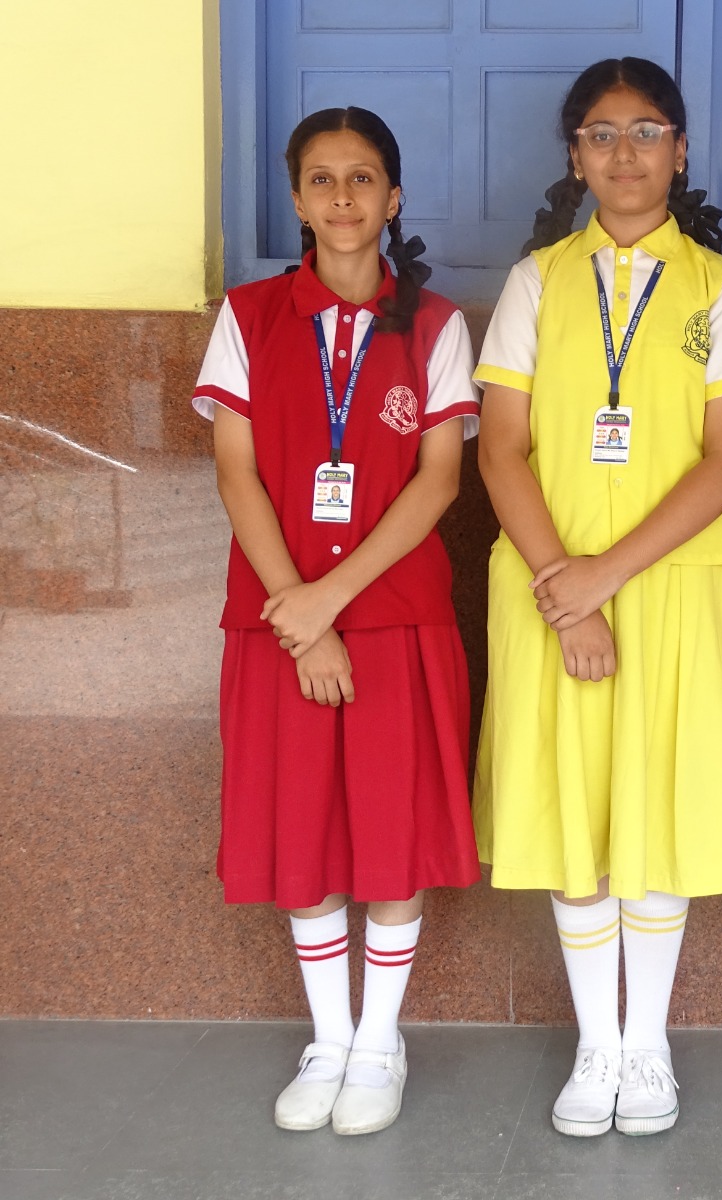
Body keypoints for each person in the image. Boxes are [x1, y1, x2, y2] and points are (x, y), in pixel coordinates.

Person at [472, 57, 722, 1137]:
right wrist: (570, 588)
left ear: (680, 151)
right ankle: (594, 1044)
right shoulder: (536, 283)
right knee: (574, 812)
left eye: (647, 132)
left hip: (676, 591)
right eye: (602, 134)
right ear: (575, 156)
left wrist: (605, 577)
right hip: (551, 591)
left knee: (657, 809)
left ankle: (647, 1048)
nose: (626, 153)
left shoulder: (718, 290)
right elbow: (502, 451)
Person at [192, 106, 481, 1135]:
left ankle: (379, 1040)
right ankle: (328, 1032)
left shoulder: (436, 326)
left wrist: (334, 600)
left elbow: (439, 481)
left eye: (364, 179)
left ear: (393, 197)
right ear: (296, 196)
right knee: (299, 826)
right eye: (322, 179)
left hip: (396, 623)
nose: (344, 198)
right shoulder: (251, 315)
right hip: (274, 623)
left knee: (392, 833)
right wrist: (301, 619)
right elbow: (235, 471)